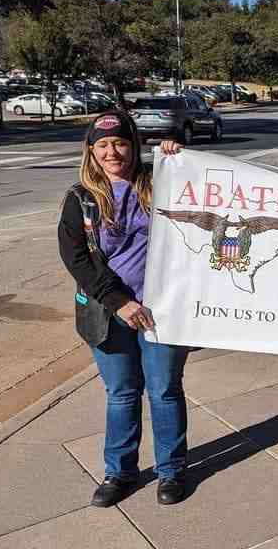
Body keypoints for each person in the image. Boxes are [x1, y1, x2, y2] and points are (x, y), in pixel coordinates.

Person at [57, 110, 189, 508]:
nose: (112, 152)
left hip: (161, 309)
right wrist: (119, 303)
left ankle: (172, 471)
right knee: (122, 394)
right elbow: (77, 259)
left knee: (164, 392)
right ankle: (120, 472)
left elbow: (204, 194)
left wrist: (178, 156)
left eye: (120, 143)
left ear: (133, 144)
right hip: (107, 312)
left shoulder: (162, 182)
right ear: (91, 151)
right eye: (103, 145)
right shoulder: (79, 199)